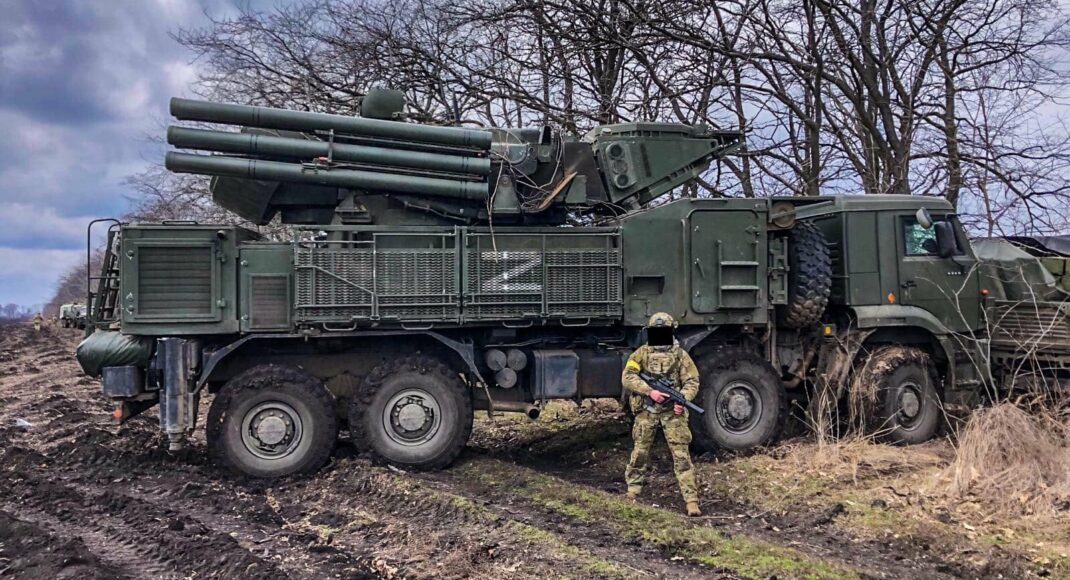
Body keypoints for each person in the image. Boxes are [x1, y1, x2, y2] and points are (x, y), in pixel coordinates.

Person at [621, 312, 703, 517]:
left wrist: (682, 399)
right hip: (647, 411)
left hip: (671, 413)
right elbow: (628, 376)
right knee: (640, 452)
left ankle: (691, 500)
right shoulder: (641, 354)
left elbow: (692, 381)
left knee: (682, 456)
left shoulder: (681, 356)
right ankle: (633, 491)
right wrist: (650, 391)